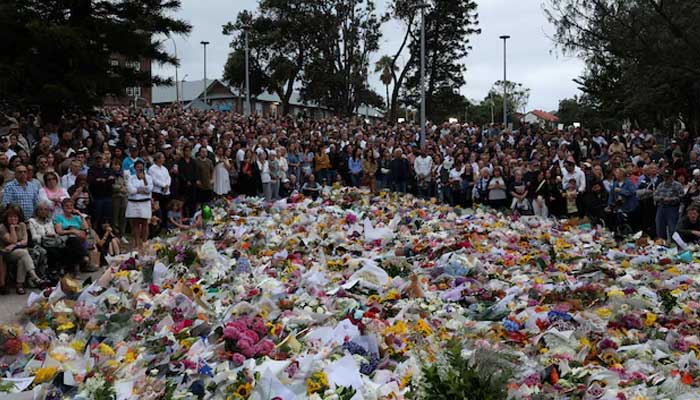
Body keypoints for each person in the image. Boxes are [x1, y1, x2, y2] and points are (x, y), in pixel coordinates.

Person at [0, 205, 48, 294]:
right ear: (6, 218)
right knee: (24, 252)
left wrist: (14, 245)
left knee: (23, 256)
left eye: (15, 217)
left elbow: (25, 241)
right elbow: (12, 240)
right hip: (6, 254)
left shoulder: (22, 225)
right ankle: (35, 278)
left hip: (19, 251)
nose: (13, 219)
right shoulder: (2, 227)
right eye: (10, 217)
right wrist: (12, 229)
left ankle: (20, 285)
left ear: (19, 217)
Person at [53, 198, 94, 274]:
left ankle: (79, 264)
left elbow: (86, 228)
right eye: (67, 206)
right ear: (62, 207)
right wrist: (73, 231)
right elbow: (59, 231)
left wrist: (80, 214)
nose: (69, 207)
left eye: (71, 206)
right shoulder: (59, 217)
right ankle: (83, 260)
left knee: (79, 240)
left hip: (79, 239)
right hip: (66, 238)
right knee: (74, 241)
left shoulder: (76, 217)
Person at [29, 201, 63, 280]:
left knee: (62, 249)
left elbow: (54, 233)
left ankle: (57, 272)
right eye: (41, 209)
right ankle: (51, 272)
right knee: (52, 252)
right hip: (39, 243)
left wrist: (53, 235)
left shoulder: (50, 221)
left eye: (45, 209)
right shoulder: (32, 221)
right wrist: (44, 236)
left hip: (51, 243)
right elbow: (34, 237)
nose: (43, 211)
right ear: (37, 211)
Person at [126, 159, 153, 250]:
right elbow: (131, 190)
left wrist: (144, 179)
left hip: (145, 202)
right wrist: (140, 190)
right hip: (133, 202)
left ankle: (144, 242)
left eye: (141, 167)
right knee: (135, 223)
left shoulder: (148, 177)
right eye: (137, 167)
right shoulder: (130, 177)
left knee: (145, 223)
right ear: (135, 168)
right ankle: (137, 243)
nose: (139, 168)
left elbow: (149, 189)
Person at [654, 168, 685, 241]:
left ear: (672, 176)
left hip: (672, 208)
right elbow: (655, 195)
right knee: (659, 228)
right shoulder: (660, 185)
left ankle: (674, 245)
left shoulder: (678, 185)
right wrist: (662, 198)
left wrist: (672, 199)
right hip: (661, 208)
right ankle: (662, 245)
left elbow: (682, 197)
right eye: (664, 176)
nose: (666, 178)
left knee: (672, 229)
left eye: (667, 176)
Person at [148, 152, 172, 223]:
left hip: (166, 192)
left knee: (165, 209)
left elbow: (168, 178)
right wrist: (163, 185)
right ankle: (157, 225)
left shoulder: (164, 168)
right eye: (162, 157)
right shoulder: (152, 169)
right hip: (157, 192)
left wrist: (167, 185)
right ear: (158, 159)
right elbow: (154, 179)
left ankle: (164, 225)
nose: (163, 159)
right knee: (158, 210)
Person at [110, 159, 128, 241]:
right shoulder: (110, 174)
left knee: (123, 215)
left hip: (124, 197)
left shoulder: (122, 174)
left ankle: (122, 234)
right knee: (115, 215)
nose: (116, 166)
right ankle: (115, 233)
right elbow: (112, 186)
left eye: (118, 164)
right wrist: (121, 188)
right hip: (115, 197)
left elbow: (126, 184)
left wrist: (123, 188)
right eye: (115, 164)